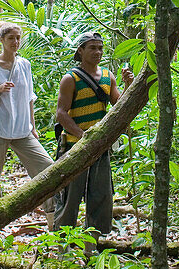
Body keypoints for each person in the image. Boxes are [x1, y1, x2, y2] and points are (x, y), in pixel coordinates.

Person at [0, 22, 54, 214]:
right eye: (10, 38)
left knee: (47, 167)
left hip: (22, 130)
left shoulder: (25, 65)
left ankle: (52, 213)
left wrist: (32, 125)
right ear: (1, 39)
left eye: (18, 38)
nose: (15, 42)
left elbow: (30, 97)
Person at [53, 31, 132, 235]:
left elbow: (118, 104)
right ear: (81, 51)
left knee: (101, 194)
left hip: (99, 146)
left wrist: (128, 85)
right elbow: (61, 113)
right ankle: (63, 242)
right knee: (71, 194)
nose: (98, 52)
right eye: (92, 48)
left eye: (100, 48)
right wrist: (81, 135)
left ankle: (98, 240)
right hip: (74, 145)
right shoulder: (70, 78)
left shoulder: (108, 76)